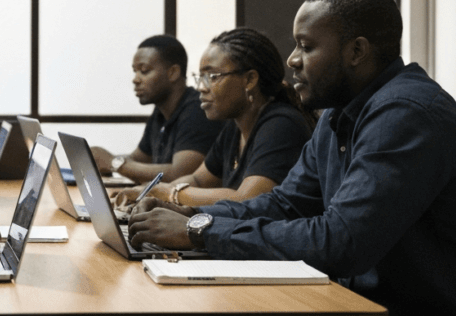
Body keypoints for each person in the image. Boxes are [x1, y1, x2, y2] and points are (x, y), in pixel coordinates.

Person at [128, 0, 456, 316]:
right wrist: (194, 215)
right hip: (367, 303)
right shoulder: (337, 115)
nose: (292, 60)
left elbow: (340, 242)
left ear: (357, 51)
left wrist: (202, 232)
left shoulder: (405, 115)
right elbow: (286, 204)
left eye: (306, 46)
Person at [113, 28, 313, 209]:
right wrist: (146, 193)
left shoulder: (281, 124)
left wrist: (168, 193)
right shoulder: (235, 127)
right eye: (200, 77)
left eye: (213, 76)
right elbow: (198, 180)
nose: (201, 87)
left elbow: (248, 200)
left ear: (250, 80)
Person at [91, 35, 224, 184]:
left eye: (144, 70)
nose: (135, 79)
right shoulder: (161, 112)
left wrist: (114, 163)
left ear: (173, 72)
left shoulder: (197, 110)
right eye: (135, 71)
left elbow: (180, 174)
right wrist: (100, 160)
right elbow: (138, 160)